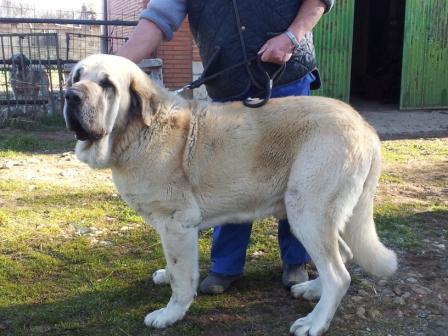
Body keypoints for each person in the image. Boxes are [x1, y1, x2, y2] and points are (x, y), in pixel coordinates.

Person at [117, 0, 334, 294]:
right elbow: (157, 18)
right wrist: (115, 69)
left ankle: (296, 260)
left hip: (287, 76)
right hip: (228, 83)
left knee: (295, 176)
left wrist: (292, 36)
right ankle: (226, 265)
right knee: (226, 178)